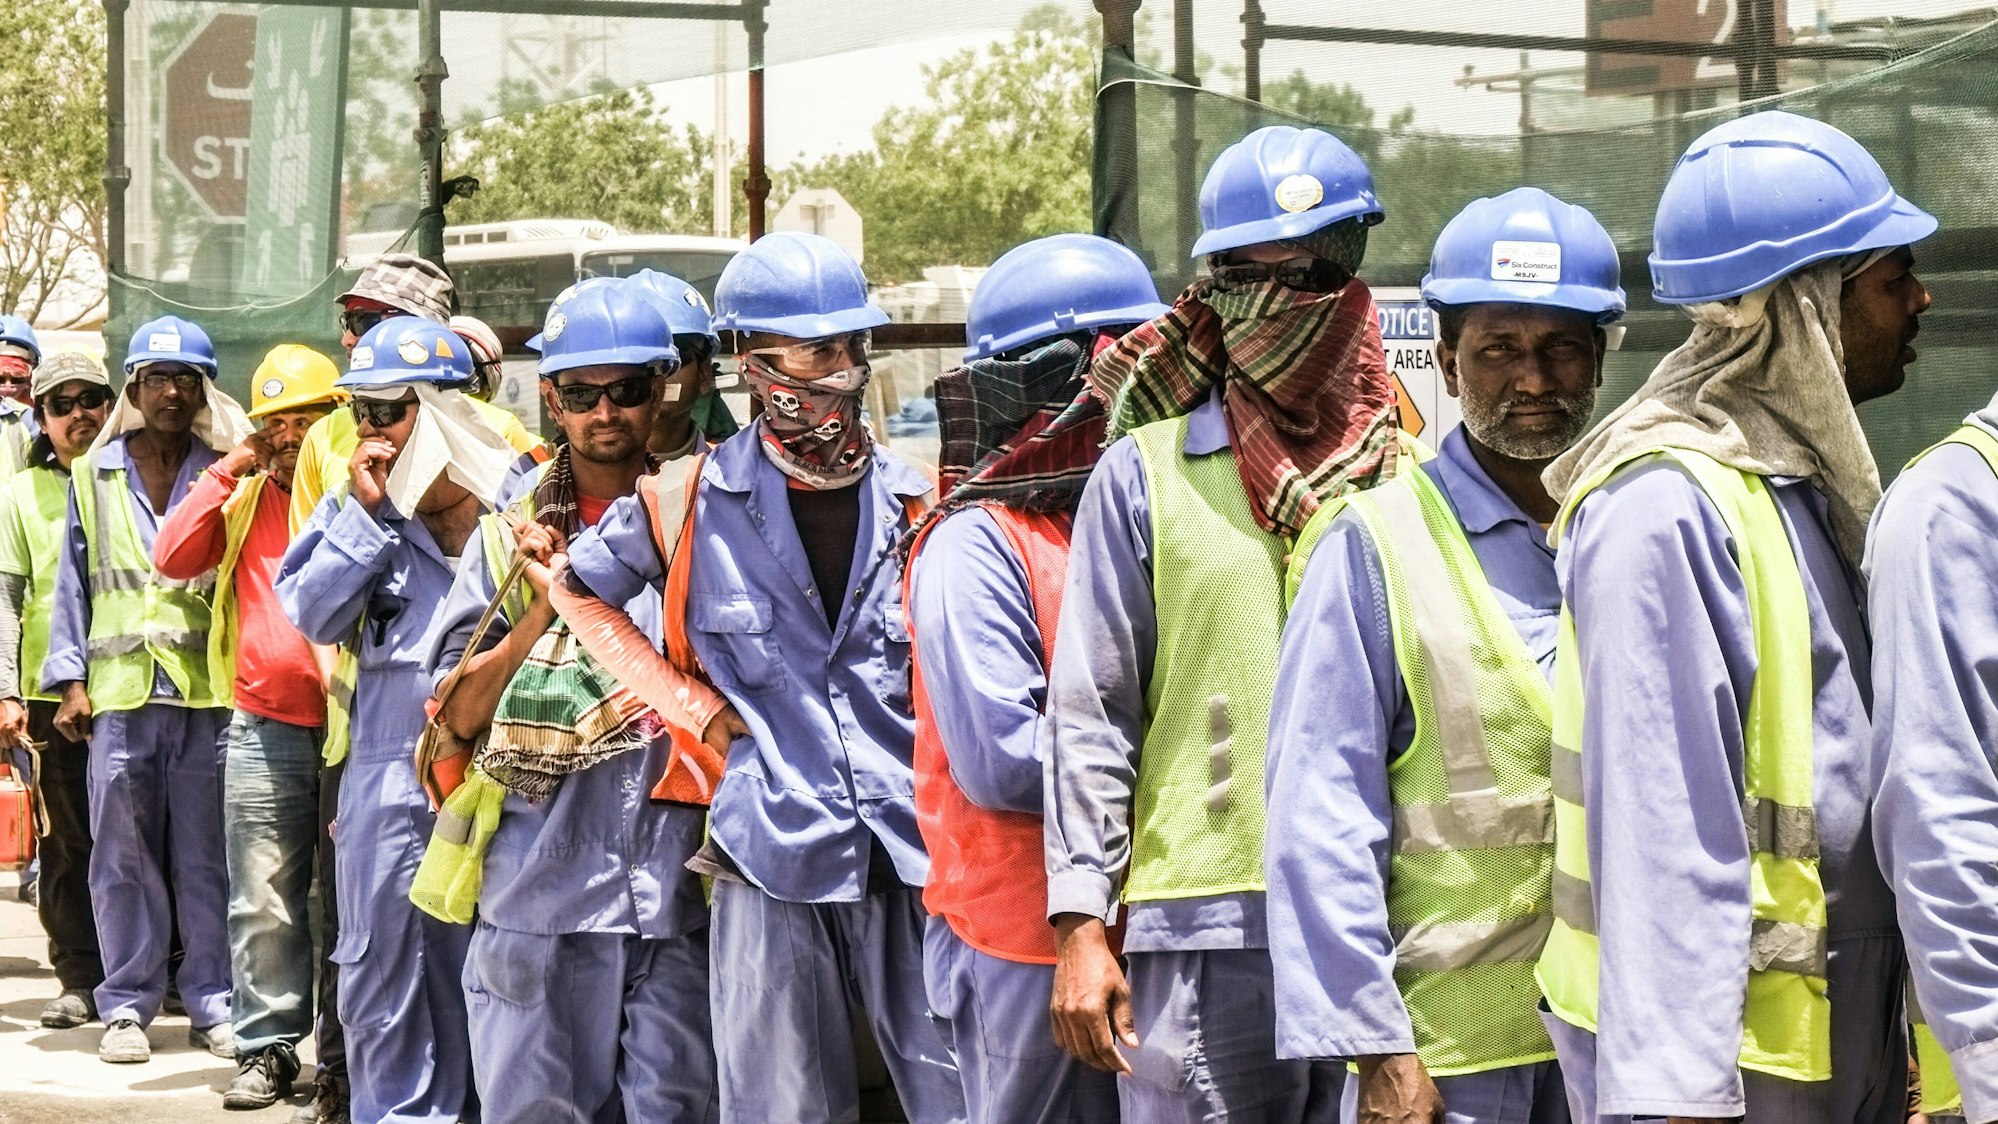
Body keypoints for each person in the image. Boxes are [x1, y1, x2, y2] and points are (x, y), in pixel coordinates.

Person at [1534, 109, 1934, 1123]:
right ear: (1808, 305)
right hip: (1724, 1070)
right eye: (1893, 279)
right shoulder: (1662, 508)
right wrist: (1681, 1091)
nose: (1919, 300)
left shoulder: (1787, 492)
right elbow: (1662, 823)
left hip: (1823, 1033)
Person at [553, 231, 965, 1123]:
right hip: (768, 849)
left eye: (837, 349)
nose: (821, 374)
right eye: (793, 355)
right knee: (784, 1104)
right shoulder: (685, 499)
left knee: (957, 1091)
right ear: (748, 363)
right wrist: (691, 710)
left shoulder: (921, 499)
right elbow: (578, 592)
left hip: (915, 847)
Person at [1045, 124, 1395, 1122]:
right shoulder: (1146, 473)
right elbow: (1090, 709)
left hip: (1378, 914)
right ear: (1218, 291)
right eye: (1262, 278)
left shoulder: (1397, 473)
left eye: (1325, 272)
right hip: (1203, 928)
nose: (1296, 305)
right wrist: (1081, 921)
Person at [1267, 188, 1624, 1124]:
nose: (1533, 379)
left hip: (1630, 1041)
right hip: (1454, 1063)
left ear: (1599, 361)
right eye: (1499, 350)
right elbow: (1319, 820)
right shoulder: (1373, 544)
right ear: (1449, 365)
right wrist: (1375, 1049)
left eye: (1560, 349)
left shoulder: (1640, 528)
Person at [428, 281, 721, 1122]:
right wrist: (549, 602)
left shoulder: (703, 520)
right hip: (537, 892)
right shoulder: (505, 534)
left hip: (670, 890)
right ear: (550, 398)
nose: (606, 412)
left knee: (675, 1105)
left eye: (627, 390)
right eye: (582, 393)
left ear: (661, 389)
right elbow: (454, 714)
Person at [904, 233, 1167, 1122]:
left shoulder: (1123, 522)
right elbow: (1004, 762)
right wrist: (1197, 771)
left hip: (1136, 927)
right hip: (1028, 946)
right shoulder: (978, 542)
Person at [277, 318, 514, 1124]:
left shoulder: (520, 504)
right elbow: (309, 610)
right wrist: (368, 518)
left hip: (506, 790)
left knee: (502, 990)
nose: (369, 432)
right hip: (385, 789)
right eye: (362, 413)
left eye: (388, 412)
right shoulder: (362, 514)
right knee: (383, 991)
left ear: (445, 410)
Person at [43, 315, 255, 1064]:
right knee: (121, 857)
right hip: (120, 694)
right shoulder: (94, 476)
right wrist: (68, 680)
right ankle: (127, 1006)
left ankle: (212, 1001)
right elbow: (71, 583)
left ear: (202, 391)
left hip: (205, 694)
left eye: (185, 380)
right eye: (157, 379)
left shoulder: (226, 472)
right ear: (133, 388)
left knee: (207, 857)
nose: (171, 392)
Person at [153, 344, 347, 1109]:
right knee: (262, 896)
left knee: (342, 902)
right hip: (263, 723)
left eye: (305, 421)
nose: (289, 437)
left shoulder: (351, 495)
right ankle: (268, 1047)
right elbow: (171, 556)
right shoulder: (243, 495)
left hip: (345, 724)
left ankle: (341, 1050)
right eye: (275, 424)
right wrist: (232, 464)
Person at [0, 350, 113, 1030]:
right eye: (60, 404)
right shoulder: (20, 493)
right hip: (49, 692)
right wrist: (7, 691)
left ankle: (164, 972)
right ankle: (79, 973)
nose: (79, 414)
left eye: (91, 399)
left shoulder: (137, 474)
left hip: (132, 684)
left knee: (143, 836)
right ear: (40, 419)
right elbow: (8, 598)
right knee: (67, 840)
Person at [291, 254, 542, 532]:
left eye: (363, 321)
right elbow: (307, 560)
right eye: (362, 412)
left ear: (421, 329)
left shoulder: (500, 431)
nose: (347, 339)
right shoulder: (321, 436)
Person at [0, 315, 44, 474]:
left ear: (29, 377)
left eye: (17, 377)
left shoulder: (41, 420)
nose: (8, 386)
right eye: (0, 378)